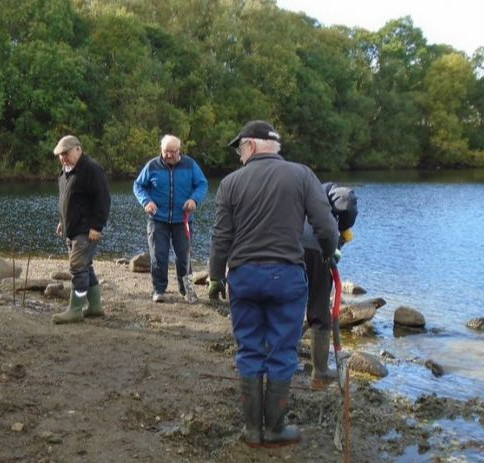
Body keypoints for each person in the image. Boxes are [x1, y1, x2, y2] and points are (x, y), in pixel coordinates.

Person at [208, 120, 338, 448]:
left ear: (252, 145)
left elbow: (221, 236)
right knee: (282, 351)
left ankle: (253, 431)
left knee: (249, 350)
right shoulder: (302, 175)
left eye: (240, 148)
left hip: (244, 276)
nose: (239, 155)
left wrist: (214, 276)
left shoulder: (230, 184)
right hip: (286, 276)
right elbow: (325, 225)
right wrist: (329, 254)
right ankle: (275, 428)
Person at [133, 135, 208, 302]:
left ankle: (187, 290)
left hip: (183, 220)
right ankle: (158, 290)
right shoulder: (152, 166)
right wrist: (147, 202)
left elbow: (202, 184)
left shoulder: (190, 165)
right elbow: (138, 186)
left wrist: (194, 199)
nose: (169, 155)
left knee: (184, 257)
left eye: (172, 152)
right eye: (166, 151)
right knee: (158, 256)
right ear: (161, 149)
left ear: (179, 150)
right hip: (157, 220)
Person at [302, 182, 358, 387]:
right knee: (319, 310)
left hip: (286, 246)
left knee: (287, 305)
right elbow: (347, 199)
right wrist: (343, 227)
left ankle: (274, 361)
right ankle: (321, 372)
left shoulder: (293, 188)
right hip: (316, 247)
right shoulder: (324, 189)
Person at [52, 135, 111, 324]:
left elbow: (103, 199)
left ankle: (75, 309)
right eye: (60, 155)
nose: (63, 158)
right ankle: (95, 307)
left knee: (77, 267)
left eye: (66, 153)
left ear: (78, 149)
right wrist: (63, 221)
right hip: (72, 227)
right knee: (85, 266)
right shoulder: (65, 171)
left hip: (87, 229)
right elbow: (68, 200)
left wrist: (97, 226)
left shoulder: (91, 169)